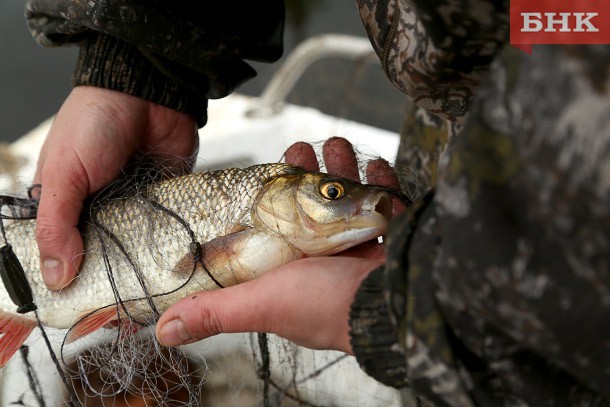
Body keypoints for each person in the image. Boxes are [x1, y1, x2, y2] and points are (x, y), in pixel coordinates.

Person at [25, 0, 610, 405]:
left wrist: (401, 313)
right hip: (478, 128)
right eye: (332, 194)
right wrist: (140, 64)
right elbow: (568, 23)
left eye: (332, 194)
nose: (354, 202)